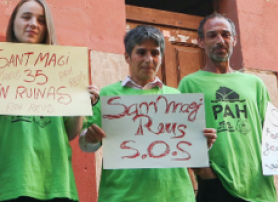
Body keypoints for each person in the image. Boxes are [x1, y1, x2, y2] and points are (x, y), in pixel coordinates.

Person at [0, 0, 98, 202]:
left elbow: (71, 132)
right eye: (26, 17)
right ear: (14, 23)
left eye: (41, 20)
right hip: (9, 180)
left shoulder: (65, 68)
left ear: (47, 27)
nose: (33, 24)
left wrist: (82, 104)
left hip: (56, 180)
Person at [178, 13, 278, 202]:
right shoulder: (189, 84)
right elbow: (183, 136)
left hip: (259, 186)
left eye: (226, 35)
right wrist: (204, 172)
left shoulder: (254, 83)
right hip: (217, 185)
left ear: (235, 40)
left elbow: (272, 131)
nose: (220, 40)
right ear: (201, 42)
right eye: (212, 35)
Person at [79, 24, 217, 202]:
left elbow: (187, 152)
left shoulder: (176, 98)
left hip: (174, 195)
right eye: (141, 52)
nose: (149, 59)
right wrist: (90, 138)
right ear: (127, 57)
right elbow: (85, 145)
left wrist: (203, 145)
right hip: (121, 196)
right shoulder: (108, 95)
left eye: (155, 53)